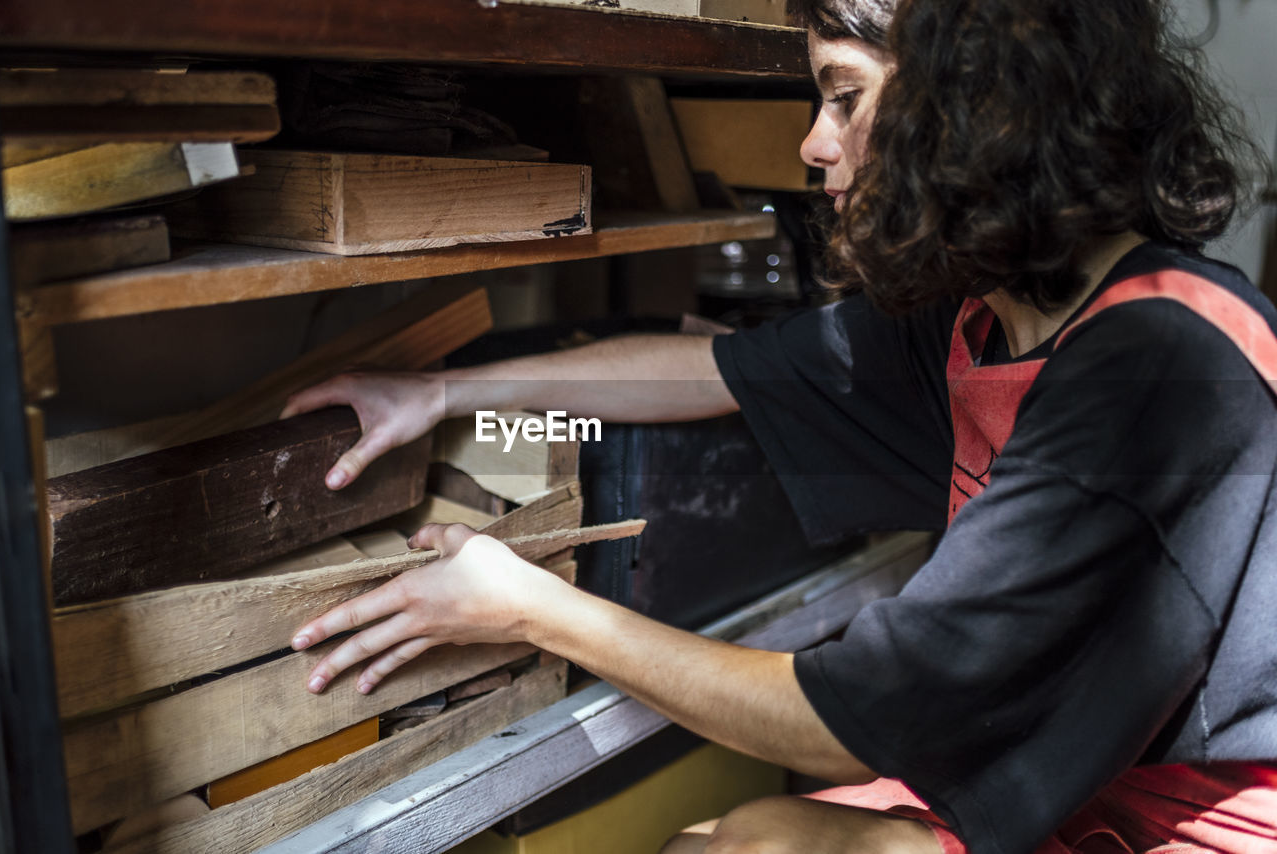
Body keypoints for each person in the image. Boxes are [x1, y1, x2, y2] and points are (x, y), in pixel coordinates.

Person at [281, 0, 1277, 851]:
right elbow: (712, 368)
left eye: (843, 95)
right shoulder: (988, 314)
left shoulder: (1151, 370)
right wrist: (442, 393)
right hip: (1078, 769)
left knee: (758, 837)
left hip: (1199, 821)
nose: (810, 140)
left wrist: (527, 604)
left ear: (984, 101)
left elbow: (848, 718)